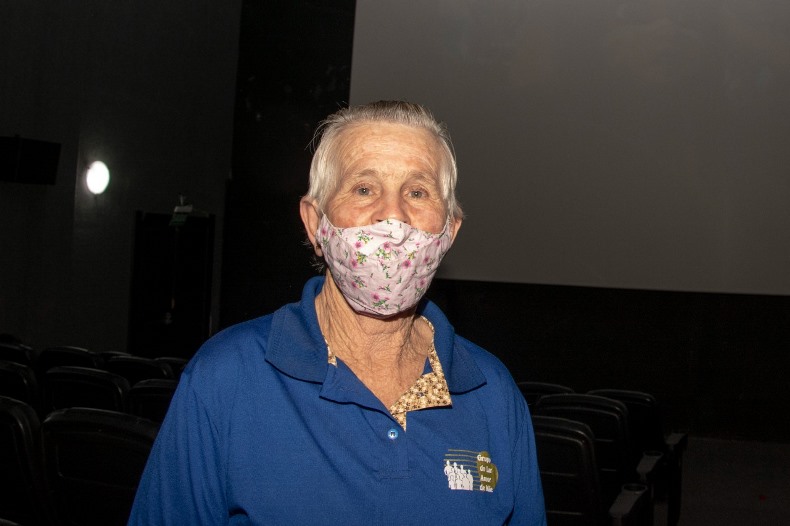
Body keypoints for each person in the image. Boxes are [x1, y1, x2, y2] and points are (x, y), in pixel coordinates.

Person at [128, 100, 546, 525]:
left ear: (449, 232)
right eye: (364, 189)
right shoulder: (225, 377)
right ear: (315, 224)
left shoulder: (493, 393)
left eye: (417, 192)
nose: (392, 215)